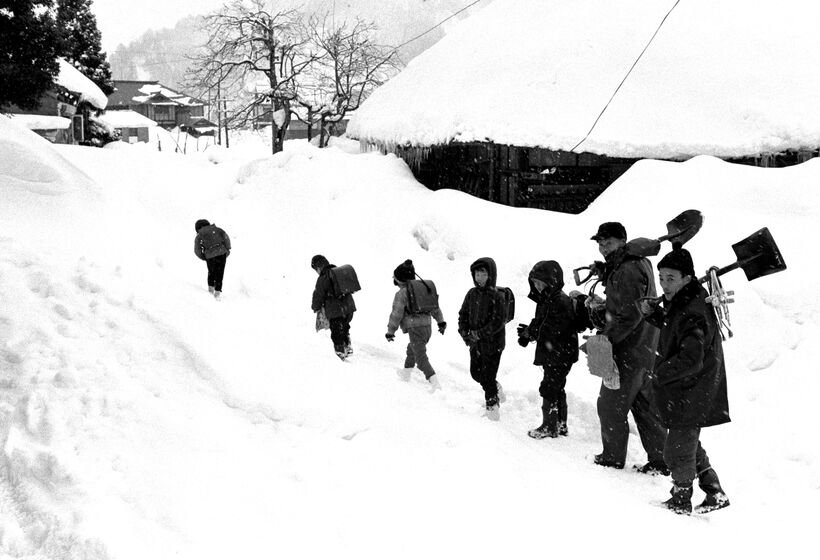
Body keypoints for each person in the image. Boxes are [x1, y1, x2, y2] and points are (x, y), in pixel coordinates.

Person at [640, 248, 731, 514]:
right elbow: (672, 327)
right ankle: (714, 492)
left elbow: (691, 358)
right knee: (687, 439)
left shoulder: (693, 310)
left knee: (678, 446)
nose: (664, 284)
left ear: (687, 278)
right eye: (661, 278)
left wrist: (660, 373)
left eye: (670, 278)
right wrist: (651, 314)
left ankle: (681, 499)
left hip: (693, 386)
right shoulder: (683, 302)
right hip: (690, 385)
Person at [587, 222, 668, 473]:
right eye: (600, 243)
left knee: (610, 404)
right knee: (645, 407)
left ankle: (612, 457)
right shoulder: (638, 262)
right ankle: (661, 460)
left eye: (608, 243)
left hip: (627, 351)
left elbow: (629, 316)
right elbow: (629, 304)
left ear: (622, 241)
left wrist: (605, 340)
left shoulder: (627, 269)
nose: (602, 248)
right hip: (646, 348)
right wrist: (604, 300)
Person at [517, 261, 580, 438]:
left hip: (559, 354)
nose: (536, 287)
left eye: (540, 283)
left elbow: (552, 328)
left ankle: (549, 426)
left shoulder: (559, 300)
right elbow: (542, 322)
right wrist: (528, 333)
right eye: (534, 283)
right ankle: (560, 424)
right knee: (557, 387)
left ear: (551, 281)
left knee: (549, 387)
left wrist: (532, 332)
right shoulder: (547, 299)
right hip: (557, 353)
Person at [458, 257, 507, 421]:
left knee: (487, 376)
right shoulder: (471, 294)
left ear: (490, 275)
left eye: (483, 274)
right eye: (477, 274)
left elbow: (498, 322)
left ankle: (492, 411)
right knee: (476, 373)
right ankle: (496, 387)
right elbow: (463, 314)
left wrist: (479, 333)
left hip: (493, 344)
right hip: (475, 343)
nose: (479, 277)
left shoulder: (497, 296)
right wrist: (464, 332)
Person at [385, 259, 446, 390]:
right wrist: (441, 322)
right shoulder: (423, 289)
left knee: (421, 357)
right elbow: (435, 307)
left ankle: (435, 383)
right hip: (427, 327)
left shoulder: (402, 294)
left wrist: (390, 332)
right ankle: (406, 373)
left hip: (415, 327)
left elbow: (396, 314)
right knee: (412, 349)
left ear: (399, 280)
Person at [311, 254, 356, 360]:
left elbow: (318, 295)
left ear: (318, 267)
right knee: (344, 327)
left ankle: (340, 350)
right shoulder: (339, 272)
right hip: (349, 307)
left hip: (335, 310)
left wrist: (315, 307)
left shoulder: (323, 277)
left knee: (336, 330)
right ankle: (348, 346)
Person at [194, 219, 231, 300]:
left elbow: (197, 250)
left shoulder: (199, 235)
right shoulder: (218, 230)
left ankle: (211, 290)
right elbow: (226, 238)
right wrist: (227, 250)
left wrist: (204, 257)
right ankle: (217, 292)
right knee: (220, 272)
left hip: (210, 256)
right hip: (222, 253)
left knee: (211, 272)